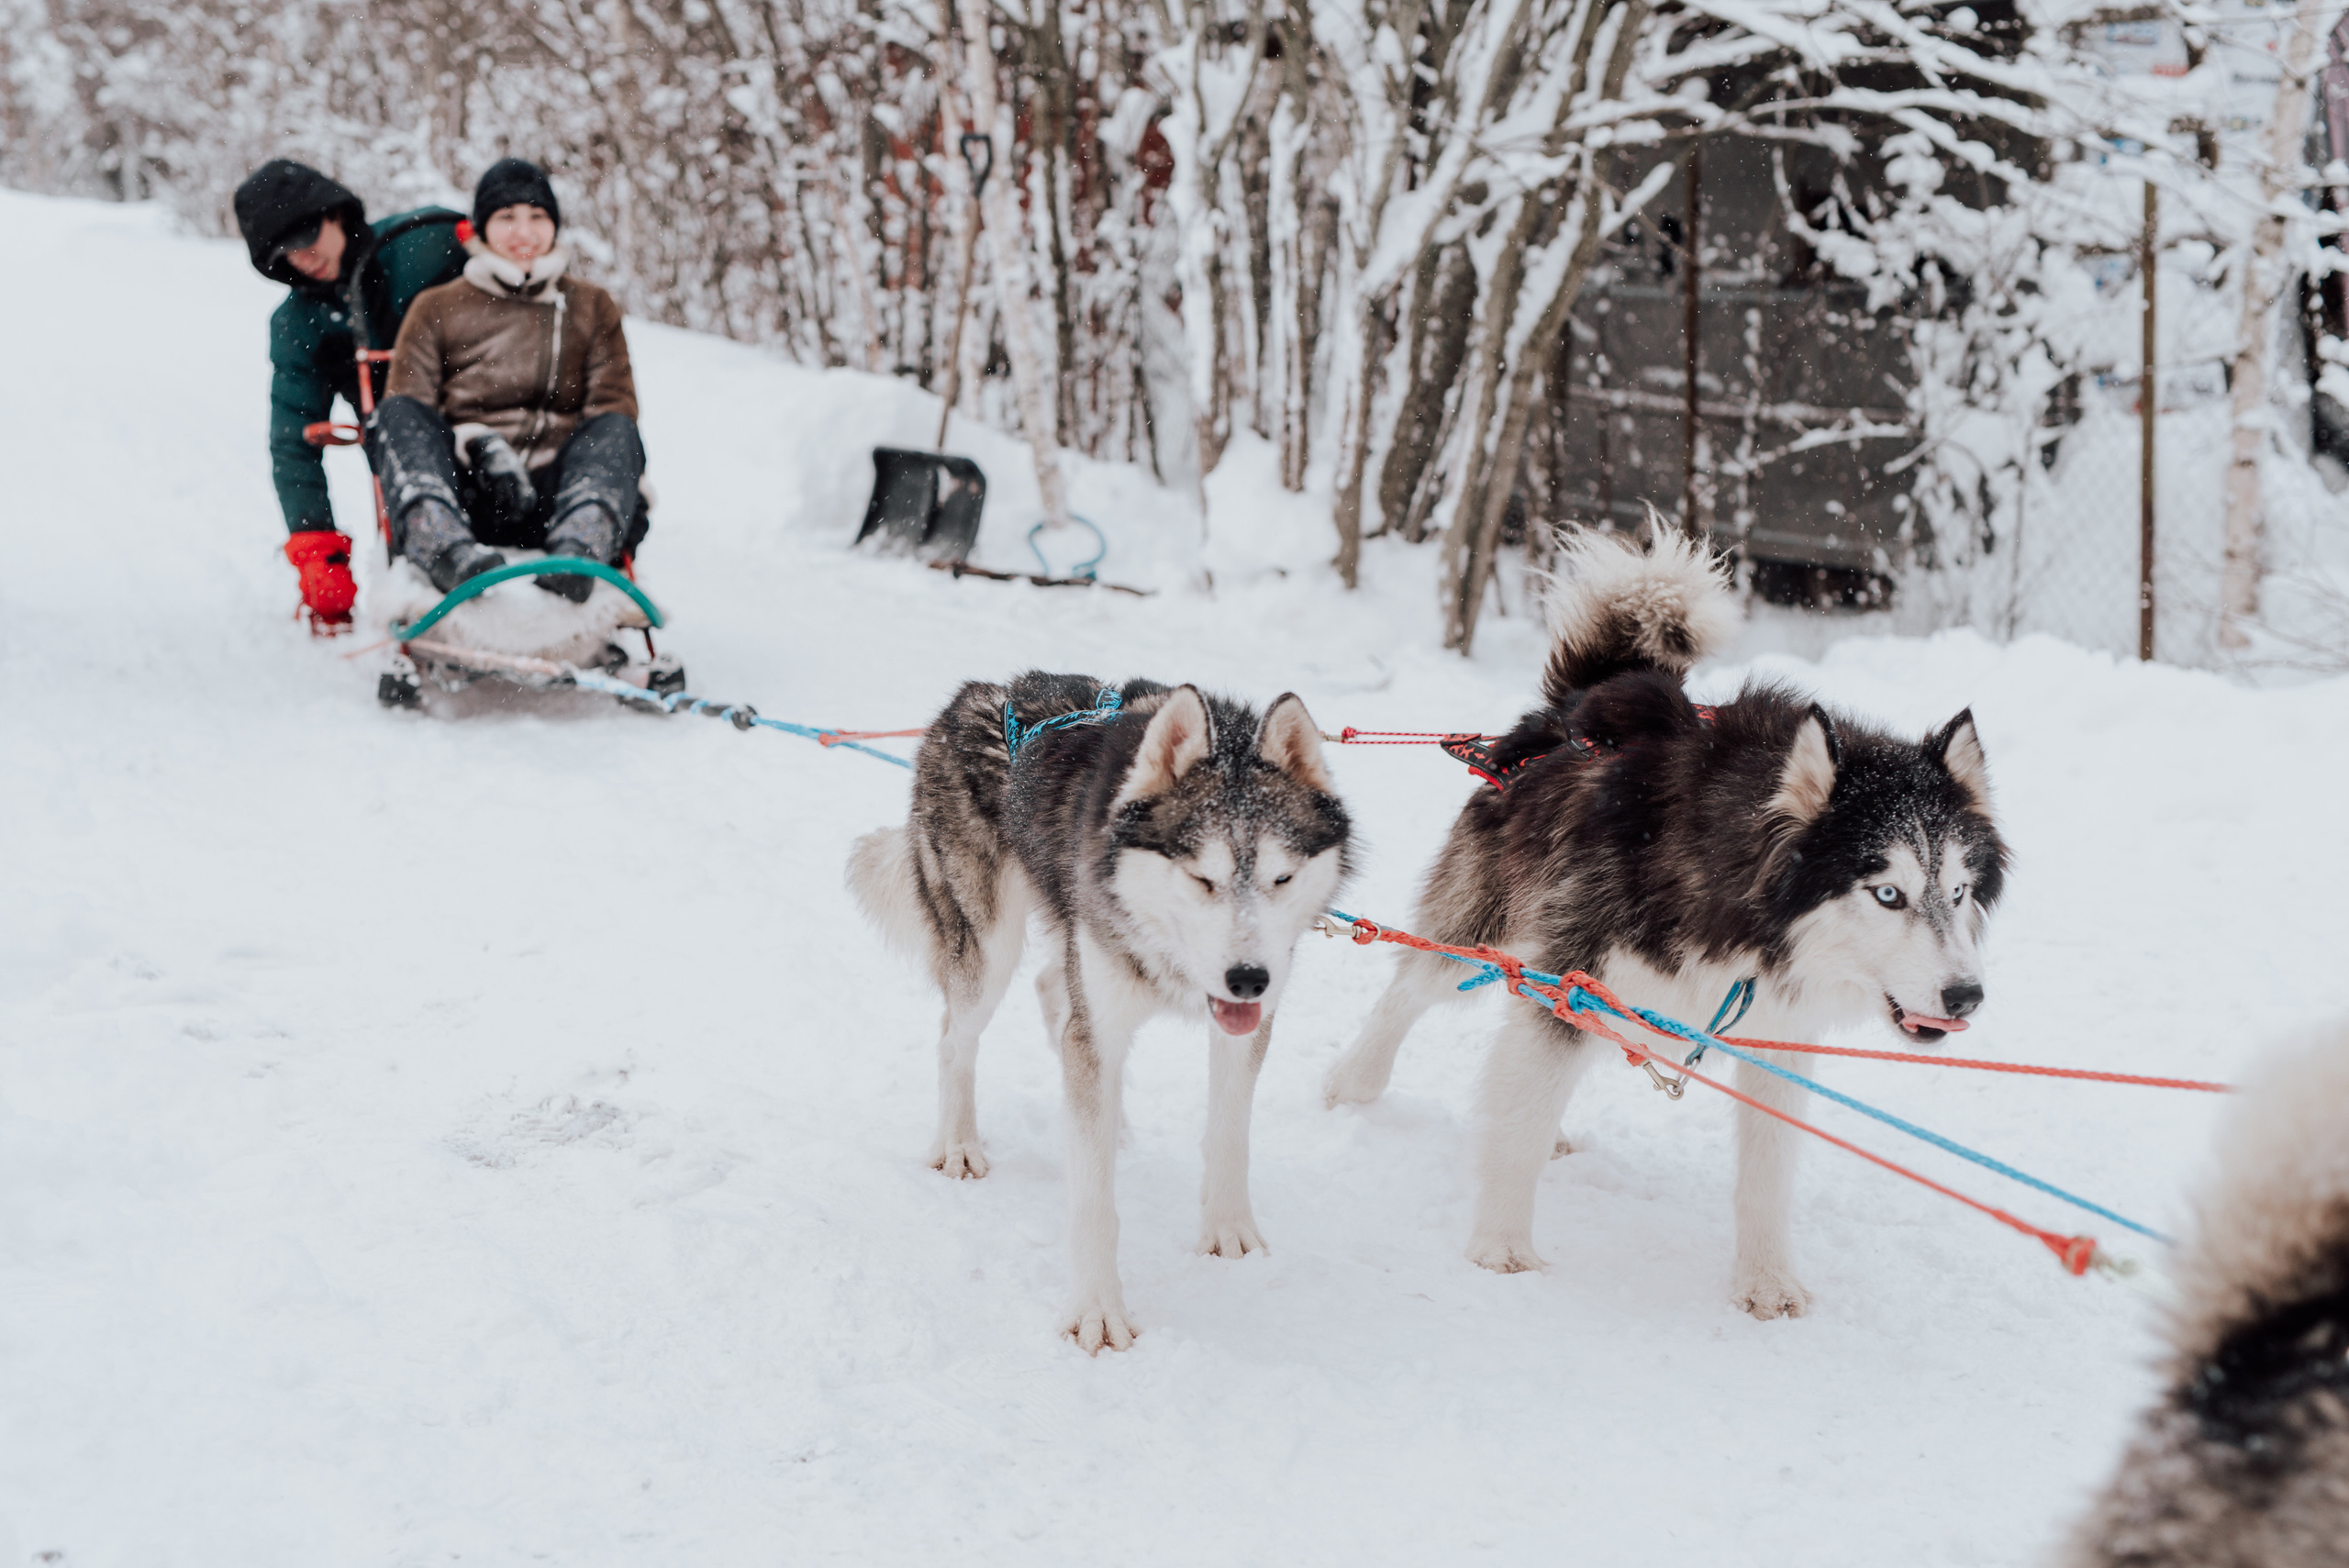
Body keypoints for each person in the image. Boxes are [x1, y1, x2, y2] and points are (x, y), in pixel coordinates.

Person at [375, 159, 645, 603]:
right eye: (507, 218)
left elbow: (612, 406)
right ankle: (446, 553)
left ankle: (577, 555)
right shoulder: (438, 305)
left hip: (561, 497)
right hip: (469, 494)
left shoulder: (590, 305)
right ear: (481, 228)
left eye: (538, 217)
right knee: (395, 414)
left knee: (617, 428)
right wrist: (479, 445)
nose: (524, 233)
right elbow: (413, 406)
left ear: (555, 226)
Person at [233, 161, 468, 630]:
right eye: (284, 253)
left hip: (485, 413)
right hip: (402, 458)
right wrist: (318, 551)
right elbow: (294, 439)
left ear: (335, 214)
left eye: (306, 237)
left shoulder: (424, 245)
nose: (302, 257)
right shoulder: (299, 324)